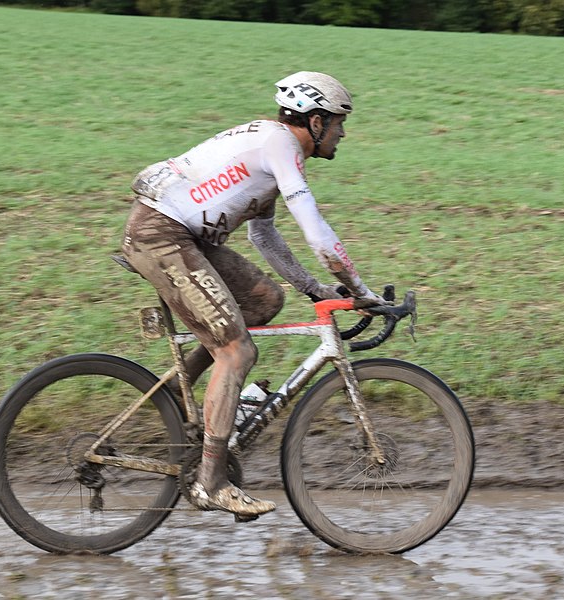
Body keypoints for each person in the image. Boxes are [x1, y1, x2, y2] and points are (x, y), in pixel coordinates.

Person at [121, 71, 385, 519]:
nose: (344, 132)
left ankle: (186, 404)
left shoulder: (273, 146)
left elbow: (265, 237)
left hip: (185, 237)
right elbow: (316, 231)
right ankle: (211, 482)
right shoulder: (281, 145)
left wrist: (315, 289)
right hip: (162, 236)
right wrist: (361, 290)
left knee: (264, 302)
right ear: (316, 122)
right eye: (340, 122)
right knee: (236, 353)